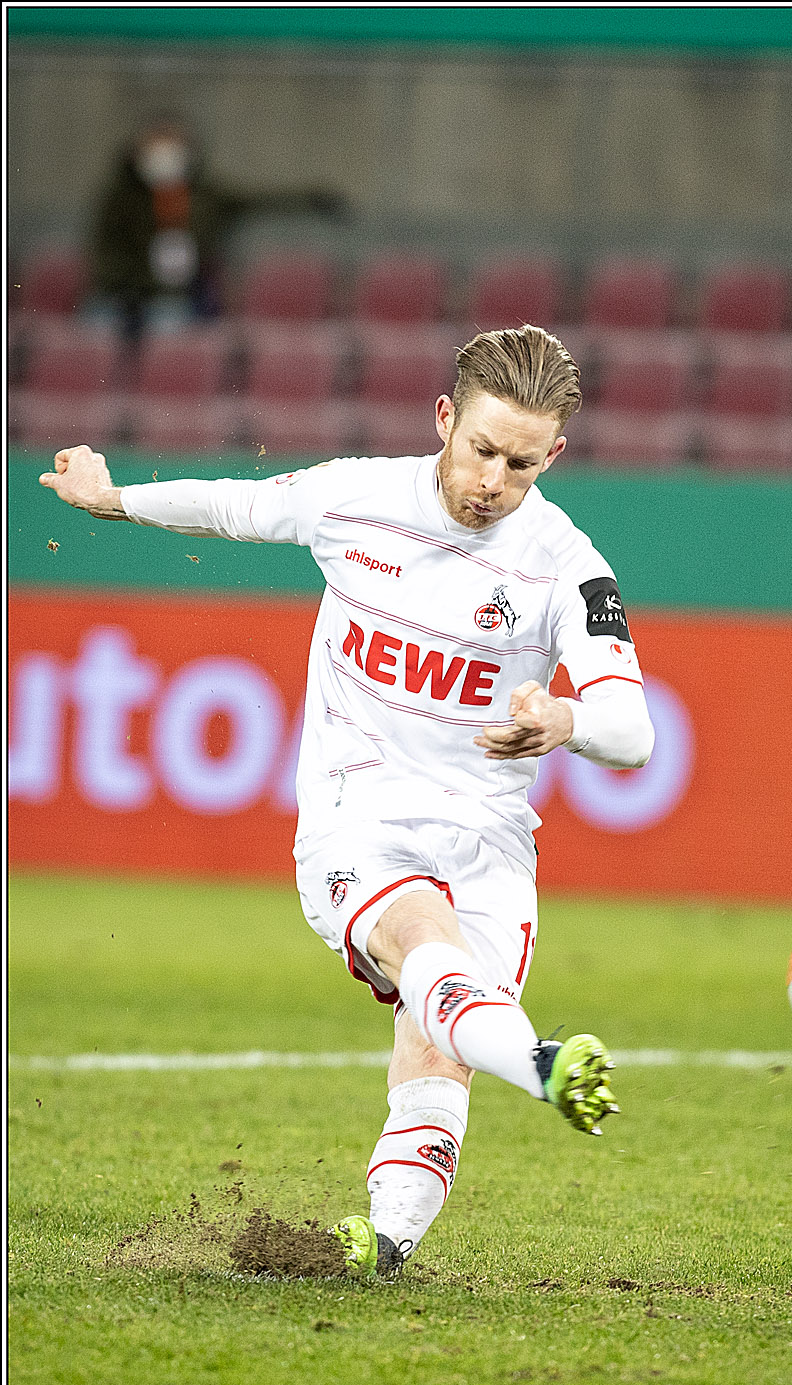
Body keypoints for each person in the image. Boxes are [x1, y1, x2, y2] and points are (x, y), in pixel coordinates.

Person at [39, 324, 655, 1283]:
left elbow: (634, 729)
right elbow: (236, 506)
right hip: (357, 823)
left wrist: (565, 721)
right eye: (483, 448)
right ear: (445, 417)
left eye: (522, 463)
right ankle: (542, 1065)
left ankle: (384, 1243)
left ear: (554, 456)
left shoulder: (568, 566)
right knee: (427, 944)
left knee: (438, 1042)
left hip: (491, 841)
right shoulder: (357, 498)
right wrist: (114, 499)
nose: (494, 478)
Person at [88, 118, 346, 337]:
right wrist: (130, 289)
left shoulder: (206, 196)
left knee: (169, 328)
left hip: (174, 298)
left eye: (172, 144)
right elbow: (106, 252)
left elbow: (259, 200)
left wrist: (313, 199)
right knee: (94, 334)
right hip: (120, 295)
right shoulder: (120, 199)